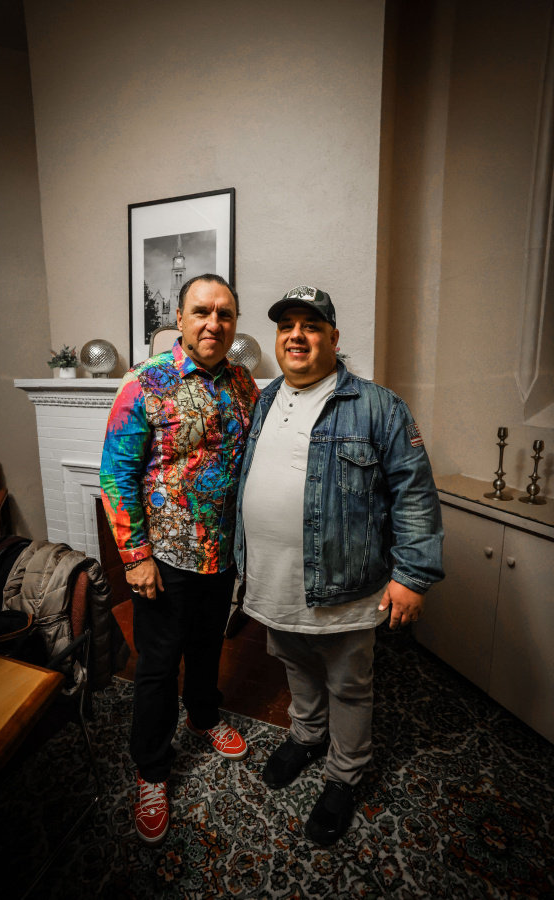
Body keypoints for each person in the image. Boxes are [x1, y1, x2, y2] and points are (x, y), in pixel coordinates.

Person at [234, 285, 444, 847]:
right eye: (287, 326)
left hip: (346, 584)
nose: (296, 336)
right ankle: (307, 736)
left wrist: (412, 576)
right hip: (271, 577)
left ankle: (344, 774)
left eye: (310, 325)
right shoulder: (263, 399)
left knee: (349, 683)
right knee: (294, 662)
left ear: (333, 337)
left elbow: (415, 494)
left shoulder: (378, 406)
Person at [100, 274, 259, 846]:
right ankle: (152, 769)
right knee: (159, 664)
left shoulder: (244, 383)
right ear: (180, 318)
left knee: (209, 645)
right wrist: (135, 557)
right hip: (164, 557)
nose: (214, 323)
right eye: (202, 311)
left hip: (222, 552)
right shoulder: (144, 382)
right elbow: (116, 475)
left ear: (234, 323)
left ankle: (204, 715)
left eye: (225, 314)